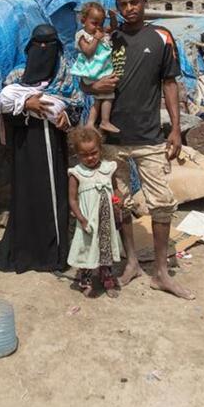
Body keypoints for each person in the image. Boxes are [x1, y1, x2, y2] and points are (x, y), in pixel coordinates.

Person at [81, 0, 194, 300]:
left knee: (161, 203)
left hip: (149, 137)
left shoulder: (161, 36)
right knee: (119, 202)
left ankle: (161, 271)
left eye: (135, 3)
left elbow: (169, 83)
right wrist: (94, 86)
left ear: (144, 3)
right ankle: (131, 261)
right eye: (123, 4)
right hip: (112, 137)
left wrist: (174, 128)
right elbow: (86, 81)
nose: (129, 9)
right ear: (117, 7)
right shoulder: (108, 38)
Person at [0, 24, 72, 274]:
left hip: (52, 147)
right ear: (30, 48)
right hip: (23, 146)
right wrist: (27, 105)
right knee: (25, 197)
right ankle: (21, 251)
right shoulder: (16, 77)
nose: (43, 51)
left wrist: (67, 116)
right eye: (38, 46)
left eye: (49, 46)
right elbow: (3, 110)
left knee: (53, 198)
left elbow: (75, 106)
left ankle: (53, 256)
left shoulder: (63, 77)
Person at [66, 126, 123, 297]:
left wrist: (118, 200)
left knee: (105, 249)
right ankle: (86, 281)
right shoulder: (76, 174)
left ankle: (107, 279)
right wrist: (81, 219)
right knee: (87, 249)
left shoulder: (108, 168)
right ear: (77, 154)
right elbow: (72, 200)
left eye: (94, 153)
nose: (90, 158)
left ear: (100, 149)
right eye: (84, 155)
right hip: (88, 221)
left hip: (106, 219)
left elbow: (115, 189)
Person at [69, 2, 120, 133]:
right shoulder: (82, 35)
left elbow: (113, 27)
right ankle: (105, 121)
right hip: (91, 71)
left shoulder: (100, 32)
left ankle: (91, 123)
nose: (98, 27)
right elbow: (88, 52)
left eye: (101, 23)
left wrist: (113, 17)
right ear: (83, 21)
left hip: (100, 70)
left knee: (99, 99)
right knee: (108, 95)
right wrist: (97, 39)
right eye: (94, 23)